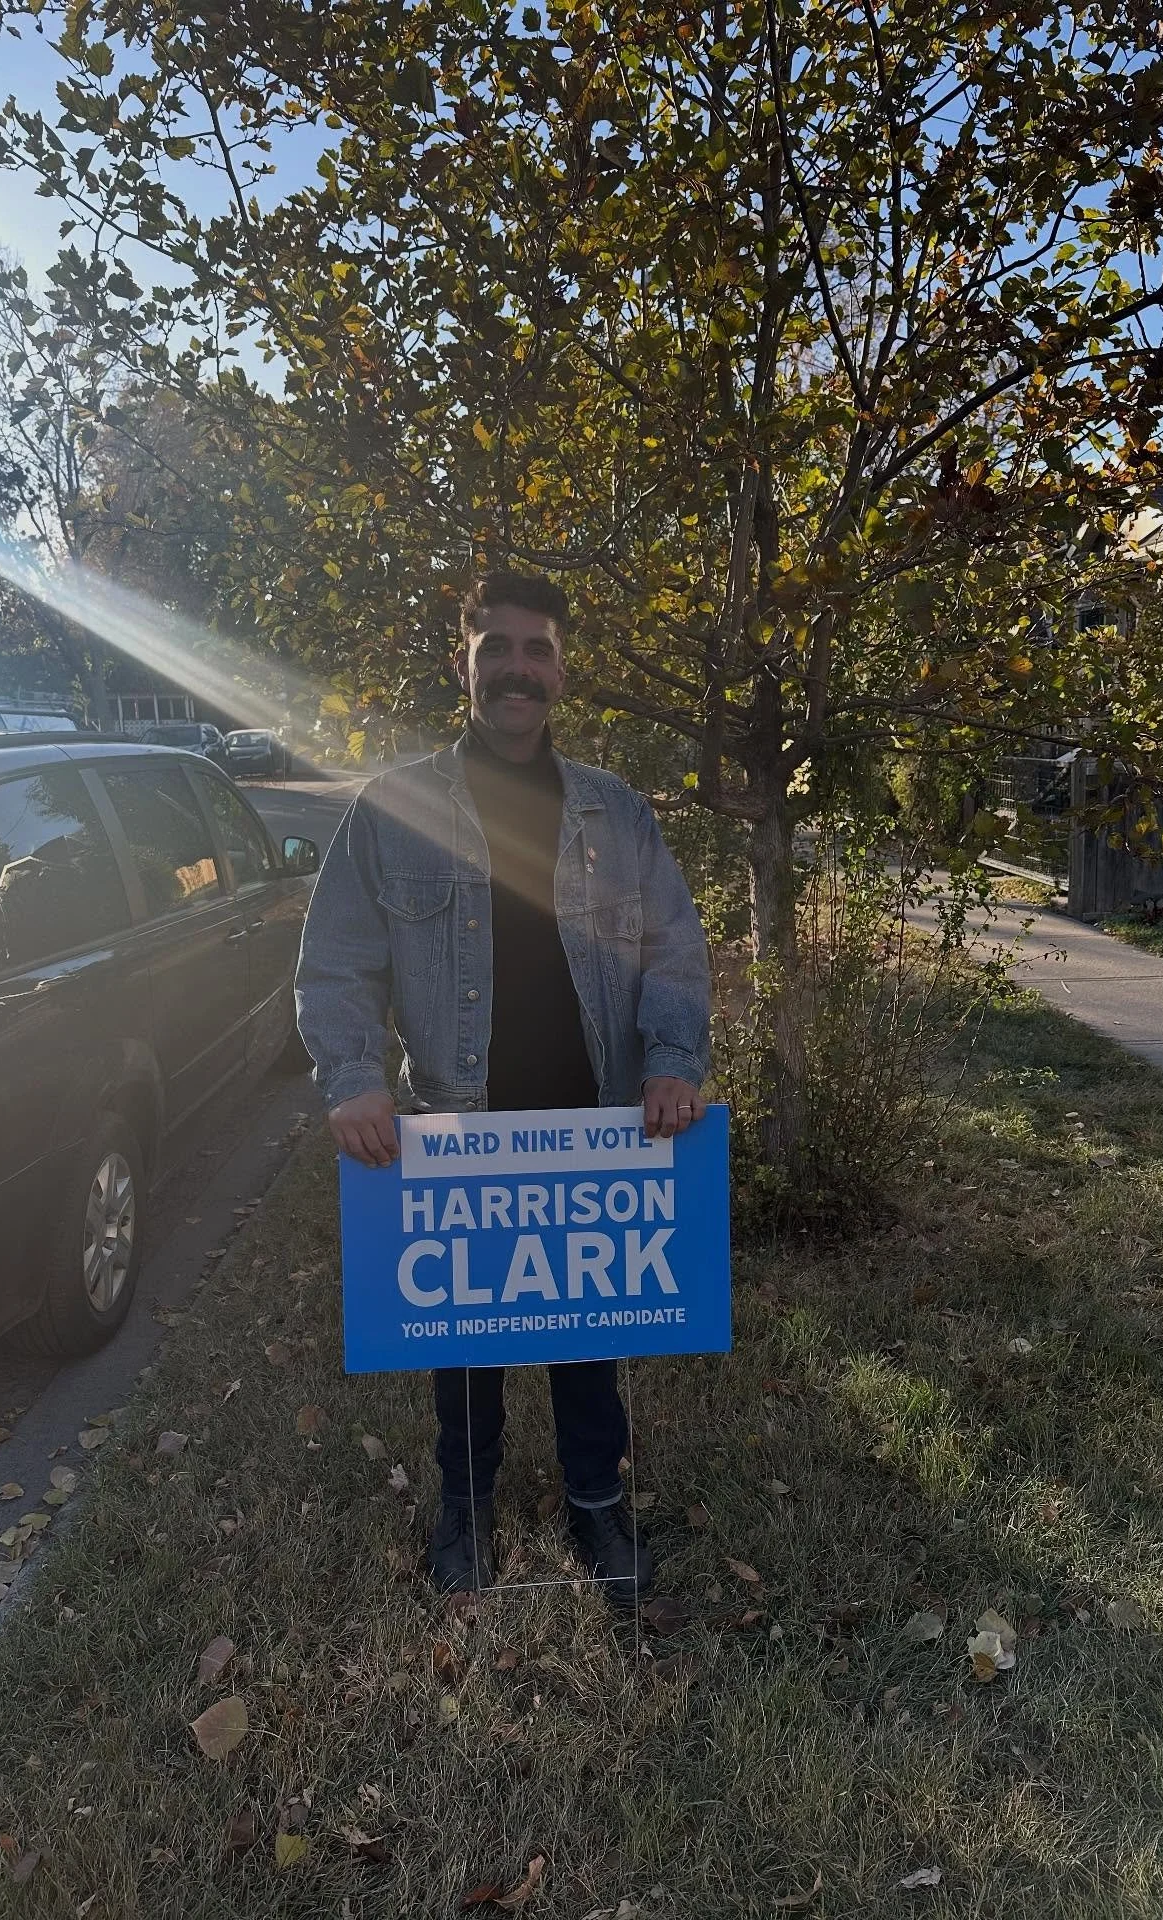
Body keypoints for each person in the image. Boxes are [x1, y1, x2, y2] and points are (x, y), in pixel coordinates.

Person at [296, 570, 711, 1603]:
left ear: (561, 670)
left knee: (587, 1338)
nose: (518, 670)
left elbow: (674, 946)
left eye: (538, 651)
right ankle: (466, 1510)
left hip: (593, 1124)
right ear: (463, 665)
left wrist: (670, 1059)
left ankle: (597, 1508)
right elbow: (336, 960)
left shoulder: (616, 812)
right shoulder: (392, 812)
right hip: (455, 1129)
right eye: (499, 651)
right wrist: (352, 1078)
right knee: (466, 1344)